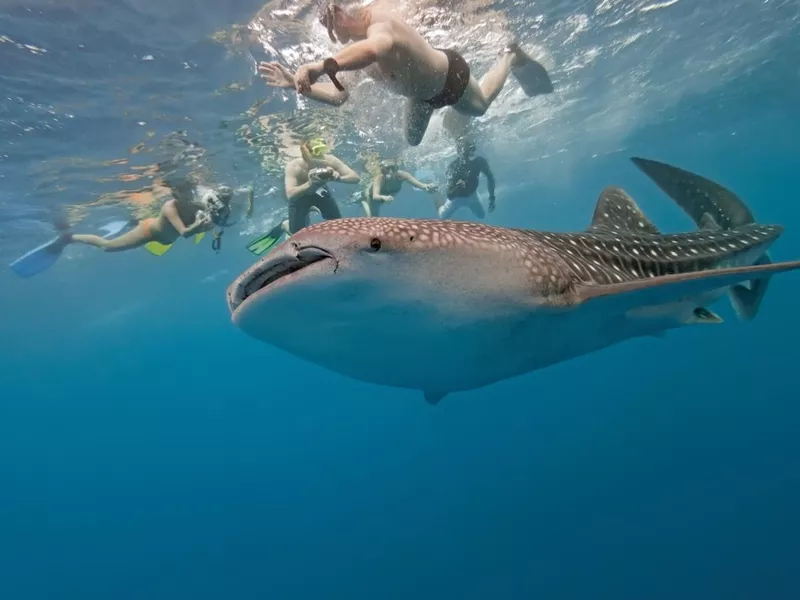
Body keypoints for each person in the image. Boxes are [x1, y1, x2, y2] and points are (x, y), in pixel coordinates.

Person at [258, 1, 553, 146]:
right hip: (422, 98)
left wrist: (319, 66)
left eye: (333, 24)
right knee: (412, 140)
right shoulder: (353, 53)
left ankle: (510, 56)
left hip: (450, 76)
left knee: (482, 105)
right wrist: (298, 87)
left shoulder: (379, 22)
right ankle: (449, 115)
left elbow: (375, 48)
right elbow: (339, 97)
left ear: (349, 15)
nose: (332, 33)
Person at [246, 138, 359, 255]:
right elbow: (290, 194)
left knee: (338, 224)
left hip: (320, 191)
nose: (319, 161)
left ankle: (312, 210)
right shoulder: (294, 166)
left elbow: (355, 178)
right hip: (300, 196)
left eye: (322, 154)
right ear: (304, 154)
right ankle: (285, 225)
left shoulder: (330, 160)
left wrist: (339, 178)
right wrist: (310, 184)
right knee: (297, 234)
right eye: (315, 155)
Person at [436, 141, 495, 220]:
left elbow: (490, 177)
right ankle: (436, 195)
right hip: (457, 199)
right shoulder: (453, 167)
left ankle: (469, 204)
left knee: (481, 215)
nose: (469, 154)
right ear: (459, 152)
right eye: (466, 151)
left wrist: (492, 198)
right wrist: (458, 187)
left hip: (473, 194)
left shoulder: (479, 161)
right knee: (442, 216)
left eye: (471, 150)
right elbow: (450, 195)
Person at [360, 159, 437, 217]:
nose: (390, 172)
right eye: (387, 169)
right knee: (373, 218)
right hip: (372, 196)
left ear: (396, 168)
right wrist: (384, 198)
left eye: (393, 168)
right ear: (383, 170)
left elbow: (419, 184)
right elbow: (375, 196)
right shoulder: (379, 178)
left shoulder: (402, 175)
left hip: (385, 197)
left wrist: (427, 186)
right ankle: (364, 202)